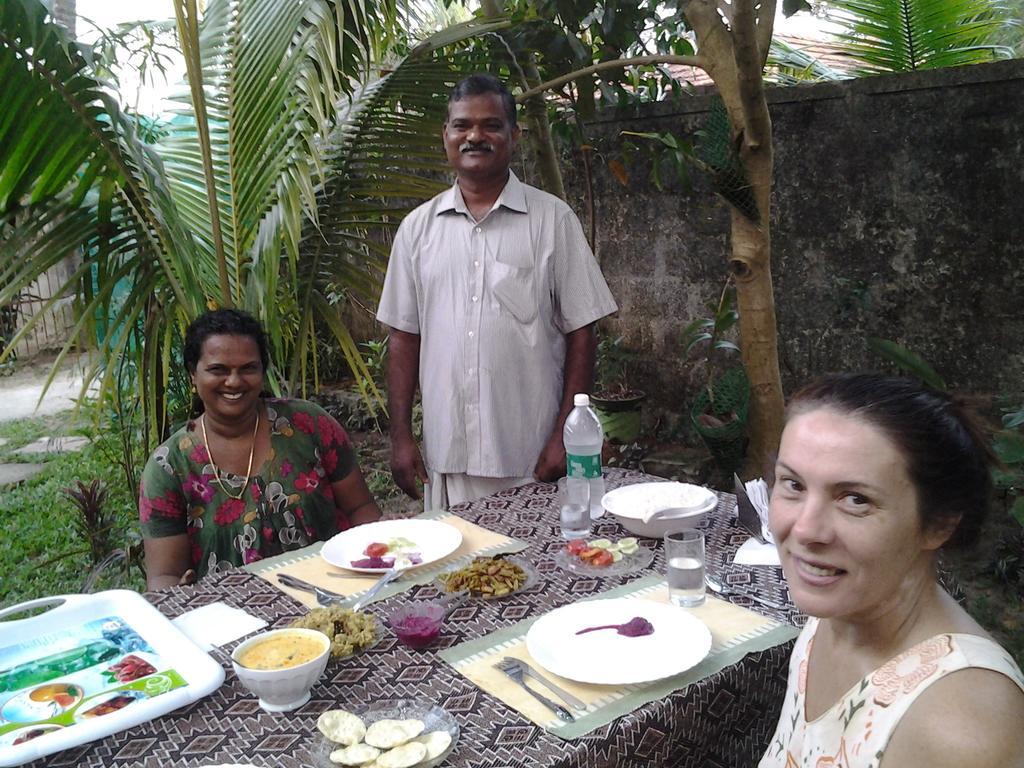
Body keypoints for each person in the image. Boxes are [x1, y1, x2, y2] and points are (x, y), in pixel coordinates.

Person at [376, 74, 617, 509]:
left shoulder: (552, 221)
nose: (475, 136)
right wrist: (400, 438)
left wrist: (565, 435)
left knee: (538, 573)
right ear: (446, 135)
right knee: (457, 573)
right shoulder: (417, 230)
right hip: (448, 457)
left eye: (490, 125)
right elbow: (403, 337)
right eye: (462, 125)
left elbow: (583, 329)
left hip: (530, 455)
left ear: (514, 135)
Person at [760, 373, 1024, 768]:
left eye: (855, 499)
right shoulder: (833, 619)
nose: (805, 529)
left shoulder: (959, 729)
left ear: (938, 525)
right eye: (793, 485)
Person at [139, 309, 381, 589]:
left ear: (262, 373)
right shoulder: (169, 467)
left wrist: (380, 562)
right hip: (231, 620)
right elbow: (164, 577)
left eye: (248, 368)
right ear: (193, 374)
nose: (233, 381)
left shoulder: (308, 425)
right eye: (218, 370)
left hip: (336, 599)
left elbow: (361, 508)